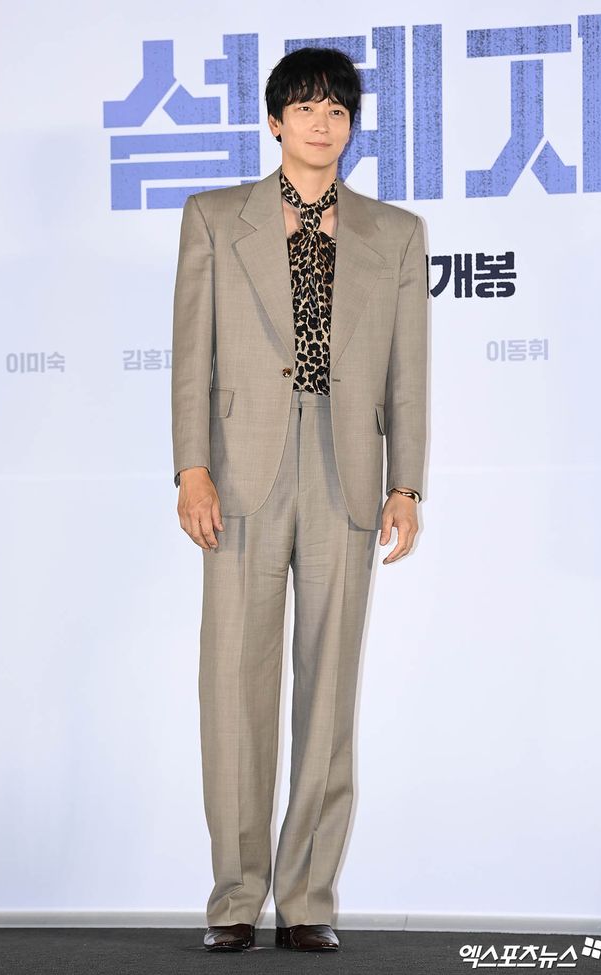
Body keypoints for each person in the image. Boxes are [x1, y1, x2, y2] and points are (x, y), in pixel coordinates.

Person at [171, 46, 428, 953]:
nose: (324, 123)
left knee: (329, 690)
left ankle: (308, 896)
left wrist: (405, 481)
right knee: (233, 686)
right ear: (276, 121)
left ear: (351, 126)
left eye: (338, 110)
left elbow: (408, 371)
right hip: (240, 469)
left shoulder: (395, 233)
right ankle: (235, 897)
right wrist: (191, 467)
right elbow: (191, 355)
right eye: (307, 108)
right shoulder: (214, 217)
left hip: (345, 469)